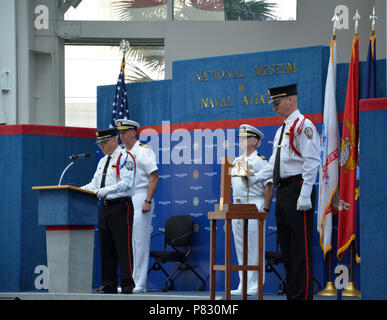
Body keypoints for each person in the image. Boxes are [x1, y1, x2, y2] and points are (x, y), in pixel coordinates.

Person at [249, 83, 321, 300]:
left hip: (299, 189)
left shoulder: (304, 125)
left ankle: (303, 297)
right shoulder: (282, 130)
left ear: (291, 99)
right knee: (287, 251)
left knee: (301, 251)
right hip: (283, 191)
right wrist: (253, 178)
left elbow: (311, 161)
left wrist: (306, 193)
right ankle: (293, 295)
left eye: (277, 102)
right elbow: (274, 164)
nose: (274, 108)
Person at [81, 128, 136, 294]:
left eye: (103, 143)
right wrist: (78, 190)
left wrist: (106, 191)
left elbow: (126, 183)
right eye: (99, 144)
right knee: (106, 247)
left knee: (123, 247)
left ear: (113, 141)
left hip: (121, 206)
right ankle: (108, 284)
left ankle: (127, 285)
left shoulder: (125, 157)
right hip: (104, 208)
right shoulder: (102, 161)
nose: (101, 147)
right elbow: (95, 184)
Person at [115, 119, 159, 294]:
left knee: (140, 241)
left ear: (133, 132)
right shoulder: (121, 154)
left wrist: (148, 200)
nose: (121, 135)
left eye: (125, 132)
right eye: (120, 132)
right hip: (125, 199)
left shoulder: (144, 152)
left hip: (141, 196)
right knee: (127, 243)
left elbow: (154, 177)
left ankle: (139, 282)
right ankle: (128, 281)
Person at [230, 124, 274, 296]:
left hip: (254, 204)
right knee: (240, 246)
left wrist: (265, 208)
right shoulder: (235, 161)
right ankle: (244, 282)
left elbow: (268, 187)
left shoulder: (261, 161)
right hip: (237, 206)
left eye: (245, 137)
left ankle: (256, 284)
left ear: (255, 141)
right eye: (240, 137)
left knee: (254, 246)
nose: (241, 140)